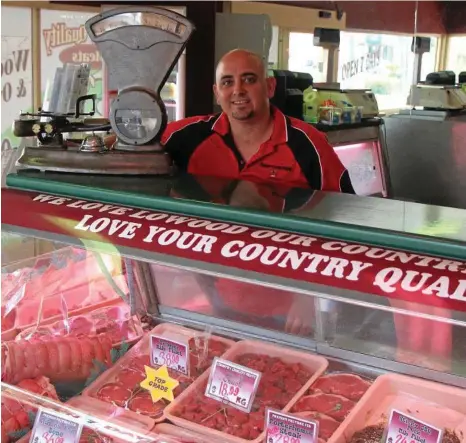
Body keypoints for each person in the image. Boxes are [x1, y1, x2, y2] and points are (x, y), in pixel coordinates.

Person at [162, 48, 355, 193]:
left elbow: (343, 211)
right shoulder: (184, 135)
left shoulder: (309, 144)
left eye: (249, 79)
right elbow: (136, 154)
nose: (238, 90)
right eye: (227, 82)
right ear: (217, 94)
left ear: (270, 87)